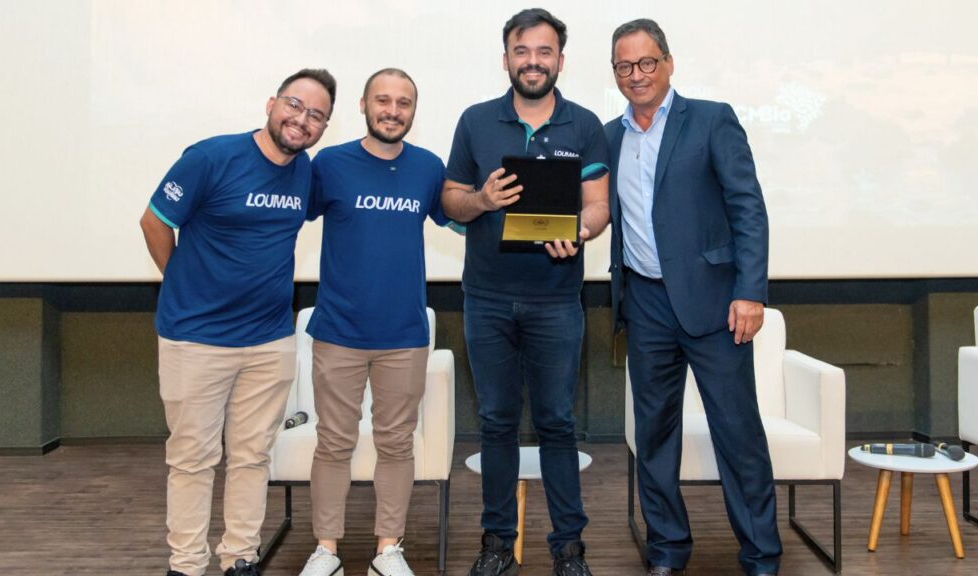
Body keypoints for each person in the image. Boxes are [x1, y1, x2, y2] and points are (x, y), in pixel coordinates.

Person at [139, 69, 336, 576]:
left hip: (269, 342)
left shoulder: (305, 172)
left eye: (316, 115)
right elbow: (155, 221)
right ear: (271, 103)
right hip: (195, 340)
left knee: (252, 458)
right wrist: (181, 281)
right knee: (192, 459)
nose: (302, 120)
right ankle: (185, 565)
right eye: (295, 105)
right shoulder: (211, 157)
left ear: (323, 126)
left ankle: (240, 558)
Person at [605, 19, 781, 576]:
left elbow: (747, 208)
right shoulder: (608, 136)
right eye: (625, 67)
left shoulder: (710, 119)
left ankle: (761, 554)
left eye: (647, 62)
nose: (637, 75)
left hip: (715, 304)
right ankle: (667, 549)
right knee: (654, 438)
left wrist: (750, 292)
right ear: (615, 73)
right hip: (645, 304)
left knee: (738, 433)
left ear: (669, 62)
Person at [442, 8, 609, 576]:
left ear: (560, 59)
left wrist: (582, 232)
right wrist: (482, 201)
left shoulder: (585, 124)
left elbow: (598, 205)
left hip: (557, 300)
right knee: (495, 423)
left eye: (544, 52)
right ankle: (496, 546)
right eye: (522, 51)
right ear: (506, 57)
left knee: (559, 422)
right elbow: (450, 200)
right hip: (486, 297)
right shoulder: (475, 121)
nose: (532, 62)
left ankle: (568, 549)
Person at [294, 68, 450, 576]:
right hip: (337, 332)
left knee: (396, 443)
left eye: (404, 102)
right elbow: (284, 216)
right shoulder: (329, 164)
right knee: (334, 443)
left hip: (404, 336)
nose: (393, 110)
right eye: (383, 100)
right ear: (363, 105)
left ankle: (388, 549)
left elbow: (463, 213)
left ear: (413, 112)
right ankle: (327, 551)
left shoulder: (428, 168)